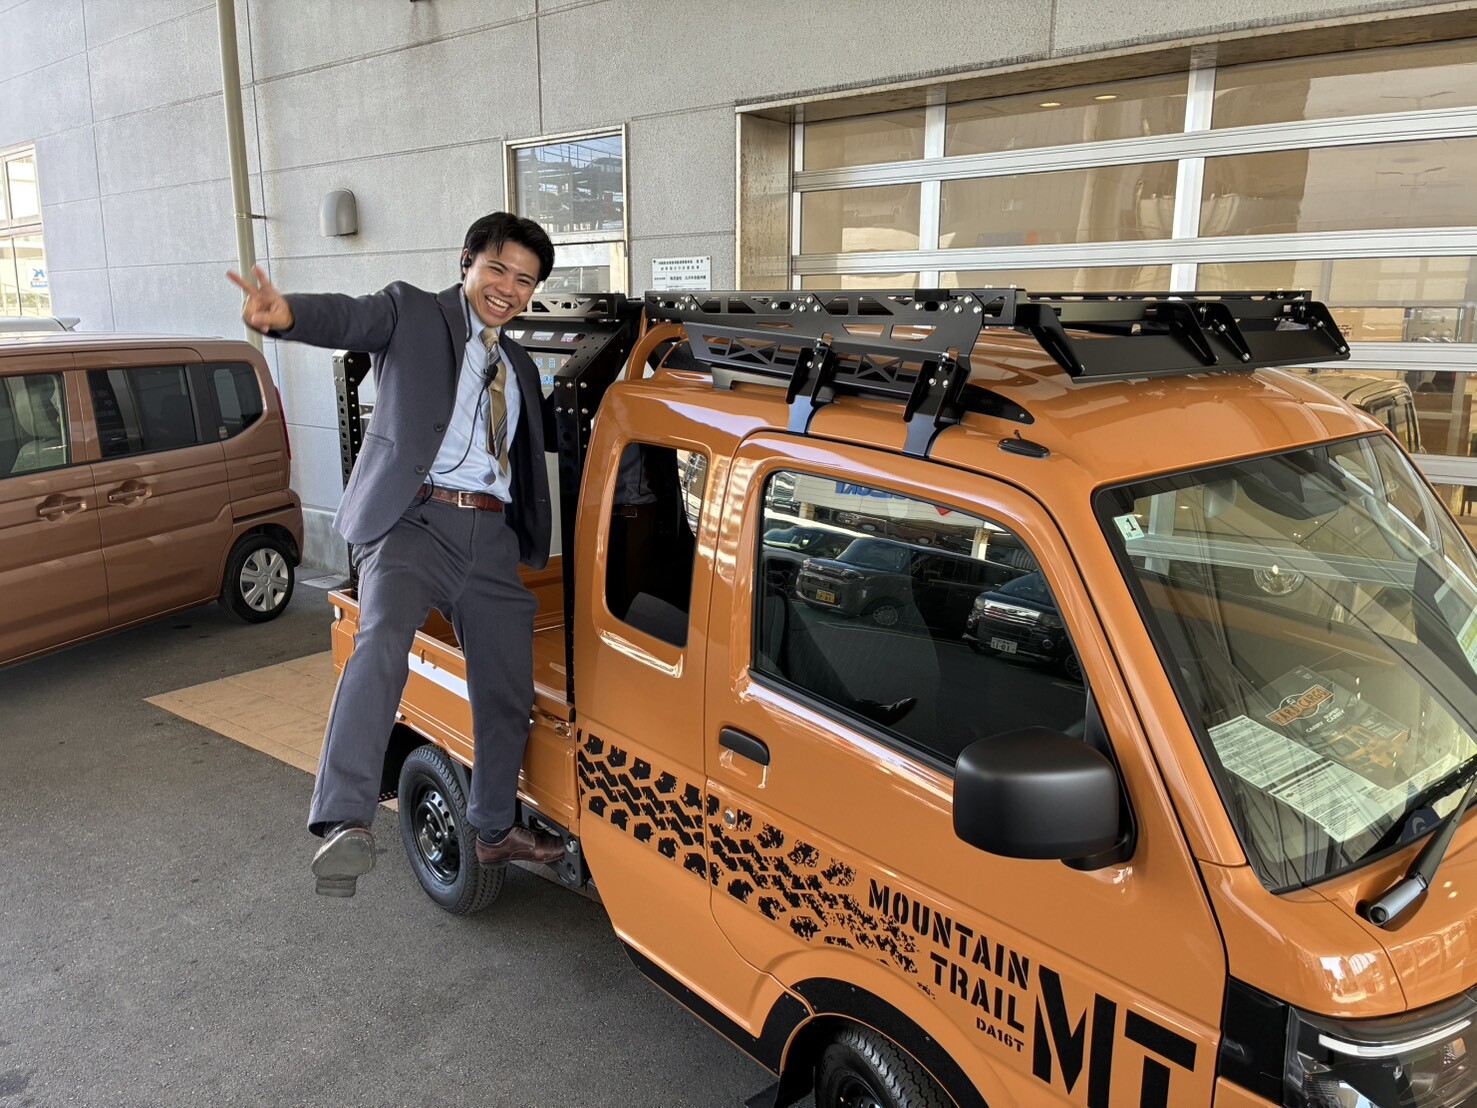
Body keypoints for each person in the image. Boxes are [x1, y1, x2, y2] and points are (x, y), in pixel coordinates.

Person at [227, 212, 564, 897]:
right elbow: (351, 319)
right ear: (467, 262)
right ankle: (345, 819)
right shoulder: (411, 312)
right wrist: (287, 315)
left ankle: (494, 828)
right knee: (381, 643)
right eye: (498, 269)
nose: (508, 288)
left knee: (507, 687)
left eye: (525, 280)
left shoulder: (521, 366)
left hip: (490, 534)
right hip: (413, 520)